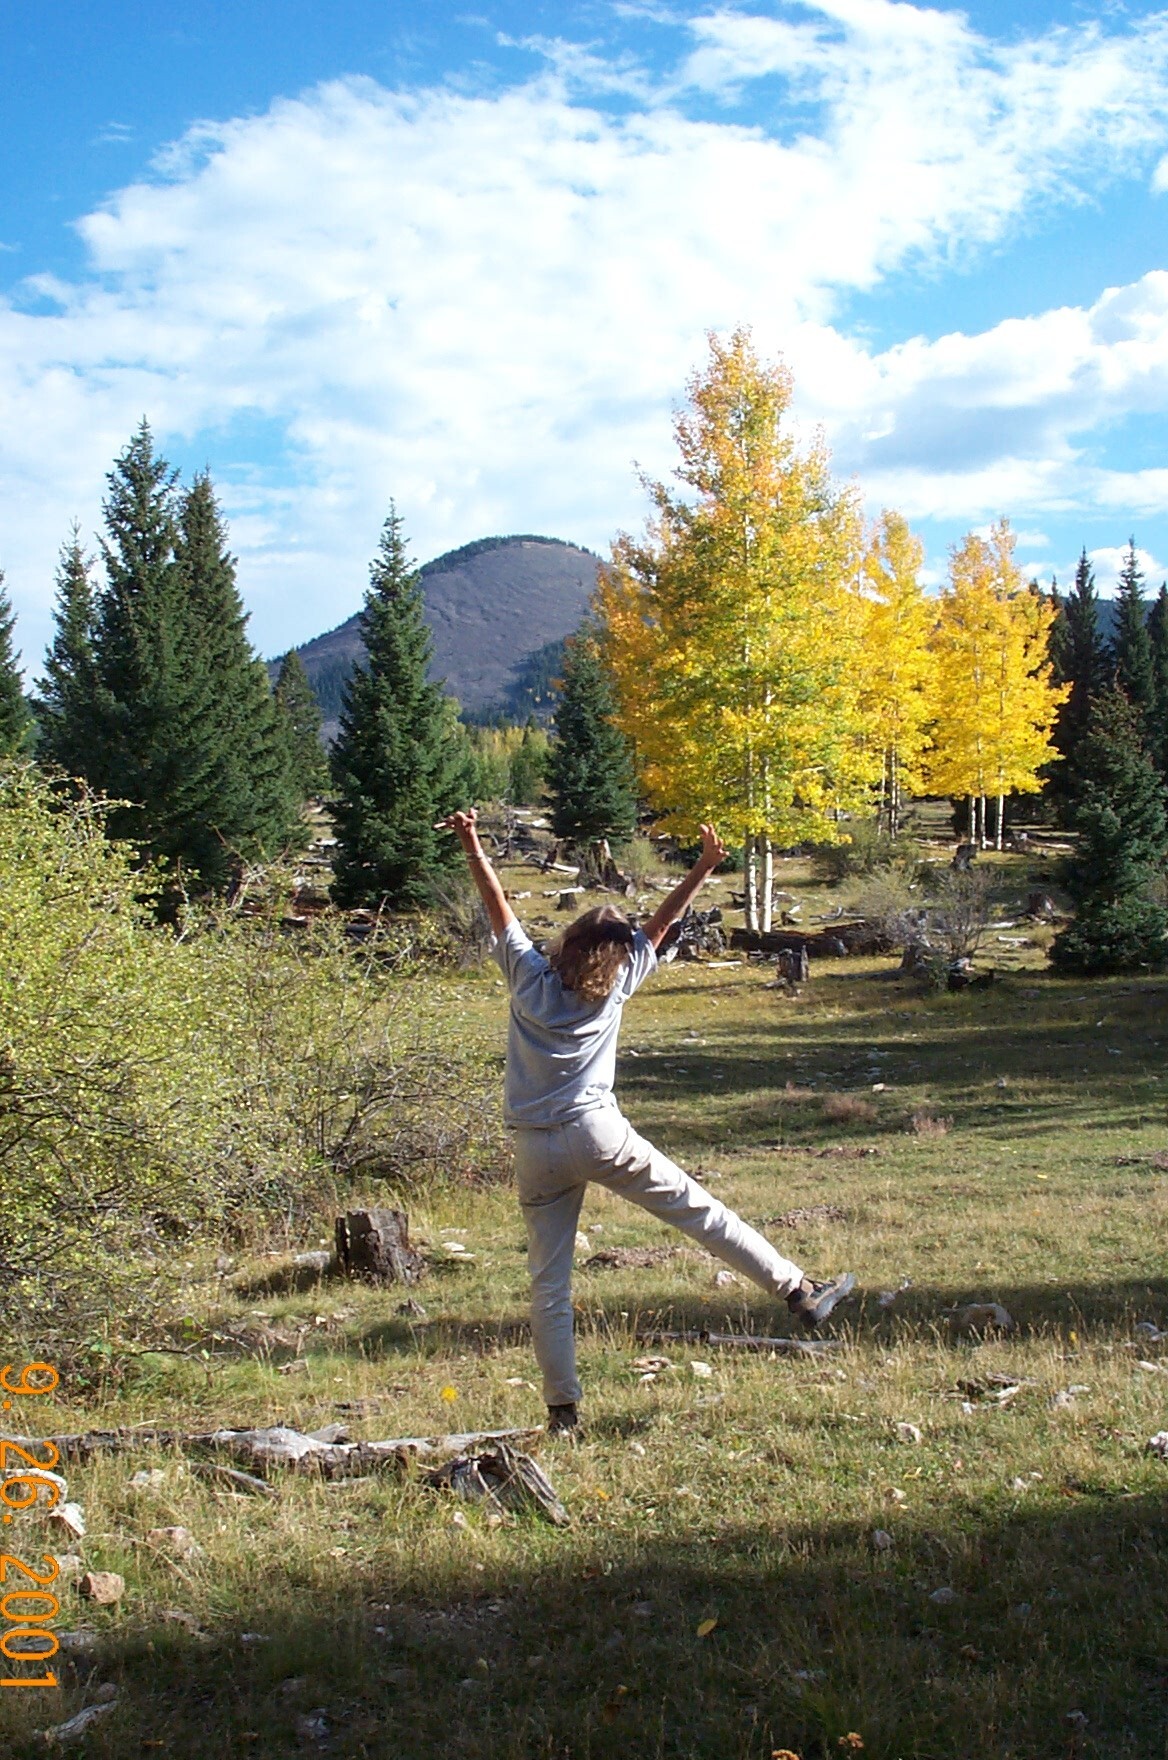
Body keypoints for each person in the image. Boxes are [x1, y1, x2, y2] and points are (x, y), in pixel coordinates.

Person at [435, 809, 856, 1434]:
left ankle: (563, 1412)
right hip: (597, 1132)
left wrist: (472, 841)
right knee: (701, 1213)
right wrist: (705, 867)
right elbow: (658, 925)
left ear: (569, 943)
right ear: (614, 957)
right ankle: (797, 1291)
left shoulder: (526, 975)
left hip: (532, 1148)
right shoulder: (619, 981)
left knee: (549, 1283)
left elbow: (497, 903)